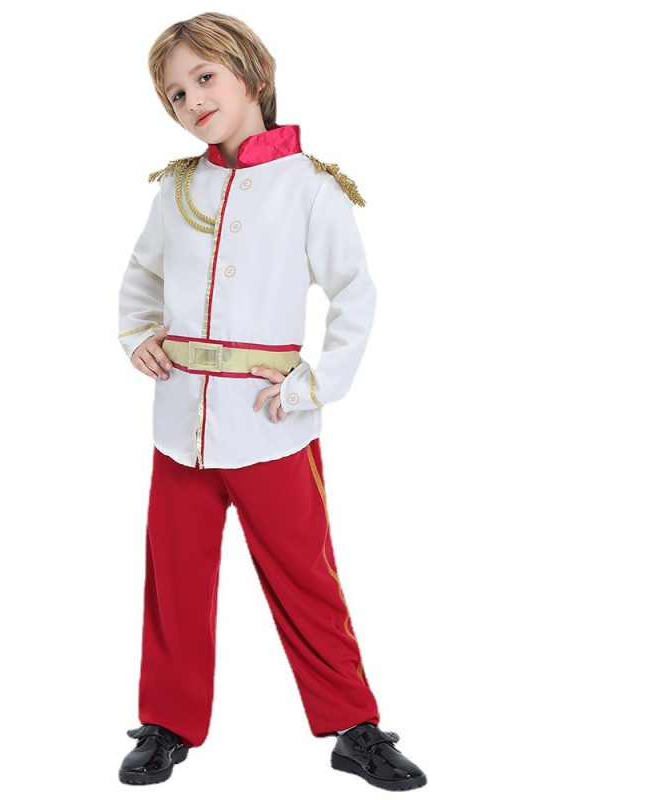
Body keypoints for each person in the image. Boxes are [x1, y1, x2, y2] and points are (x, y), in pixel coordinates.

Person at [117, 12, 427, 791]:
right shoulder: (176, 190)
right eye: (175, 93)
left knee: (305, 578)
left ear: (253, 73)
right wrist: (140, 333)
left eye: (204, 78)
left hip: (270, 424)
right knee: (175, 580)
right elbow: (142, 274)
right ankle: (166, 724)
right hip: (180, 424)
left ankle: (354, 728)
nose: (192, 100)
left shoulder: (312, 188)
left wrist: (316, 385)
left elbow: (355, 295)